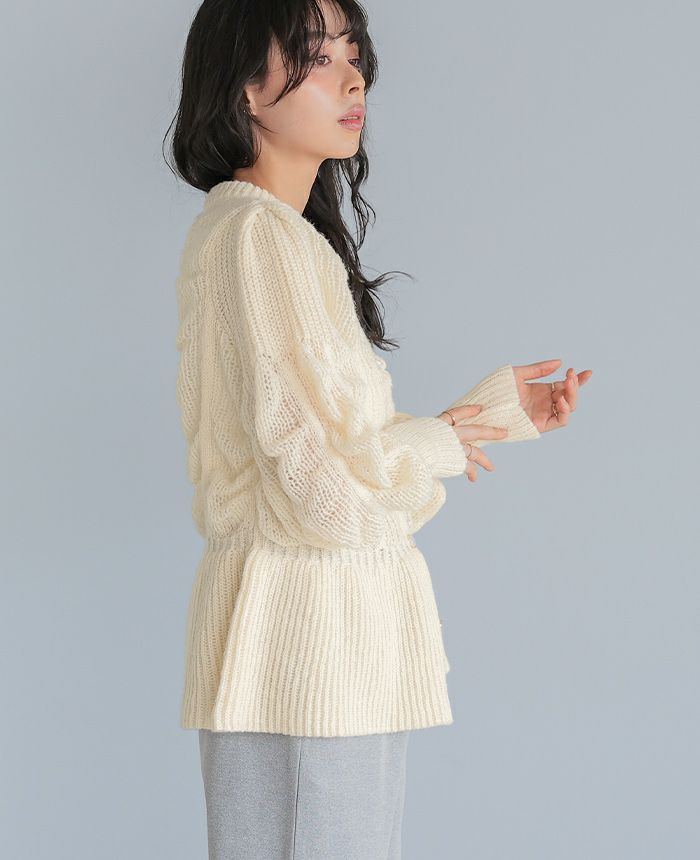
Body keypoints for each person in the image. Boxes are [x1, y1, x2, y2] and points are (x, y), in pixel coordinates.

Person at [164, 0, 592, 857]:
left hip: (324, 650)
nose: (353, 78)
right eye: (318, 56)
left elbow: (328, 443)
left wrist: (486, 418)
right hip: (303, 652)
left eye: (353, 54)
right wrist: (439, 445)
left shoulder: (278, 239)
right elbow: (322, 491)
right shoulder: (256, 239)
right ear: (246, 86)